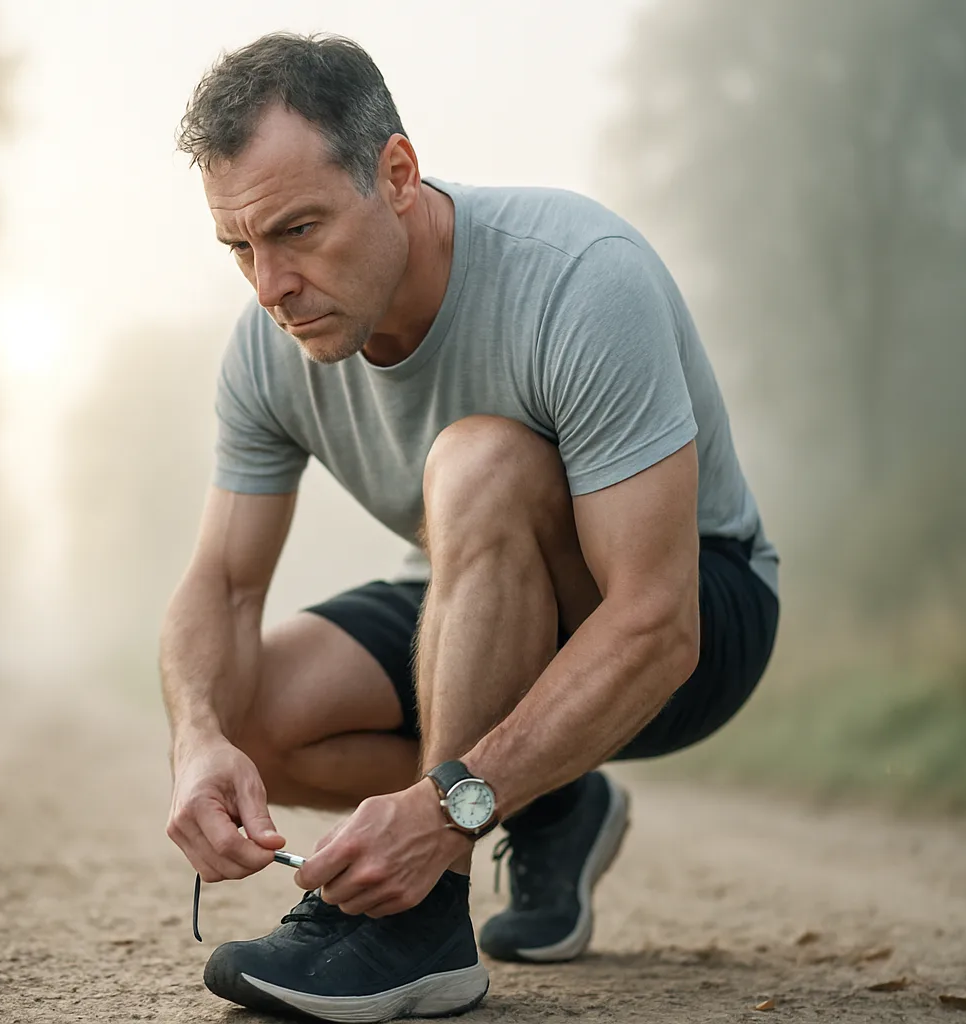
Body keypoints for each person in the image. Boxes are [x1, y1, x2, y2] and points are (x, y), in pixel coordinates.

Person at [160, 31, 779, 1023]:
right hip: (474, 585)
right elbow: (223, 586)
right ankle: (554, 797)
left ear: (396, 174)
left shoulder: (580, 277)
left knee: (480, 458)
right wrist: (196, 741)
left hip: (695, 607)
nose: (269, 285)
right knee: (245, 712)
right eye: (240, 247)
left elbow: (660, 624)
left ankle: (422, 921)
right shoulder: (265, 349)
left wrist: (447, 813)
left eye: (299, 230)